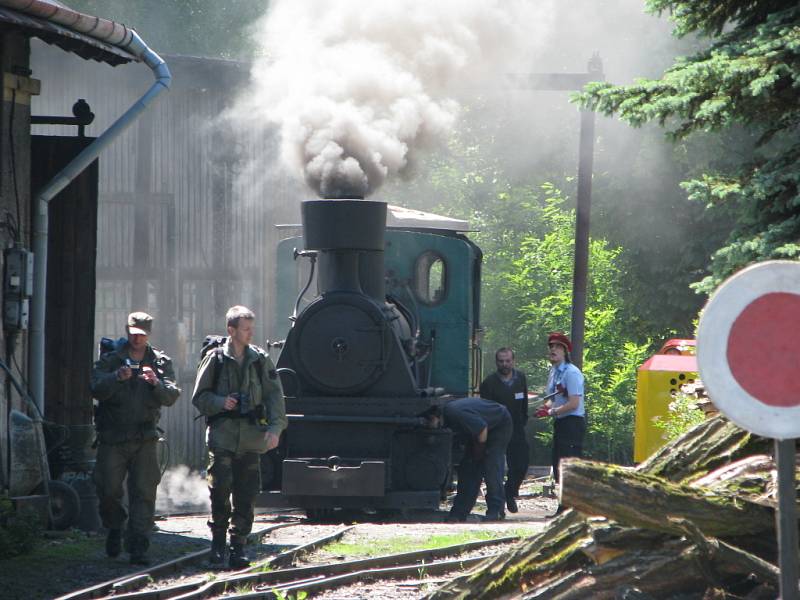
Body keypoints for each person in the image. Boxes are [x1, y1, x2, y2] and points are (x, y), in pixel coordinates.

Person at [192, 305, 287, 569]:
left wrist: (276, 428)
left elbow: (274, 396)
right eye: (245, 329)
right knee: (219, 491)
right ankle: (218, 544)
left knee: (247, 495)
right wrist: (222, 402)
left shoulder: (259, 360)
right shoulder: (215, 360)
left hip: (251, 440)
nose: (250, 333)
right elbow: (199, 398)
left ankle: (239, 547)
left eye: (251, 328)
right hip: (222, 438)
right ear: (231, 330)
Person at [90, 311, 181, 565]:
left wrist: (156, 383)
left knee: (144, 493)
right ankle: (115, 527)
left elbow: (172, 395)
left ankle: (138, 546)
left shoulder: (160, 362)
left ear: (148, 333)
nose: (136, 338)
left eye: (141, 334)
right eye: (132, 332)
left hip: (144, 437)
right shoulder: (111, 359)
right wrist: (116, 378)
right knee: (108, 489)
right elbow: (95, 388)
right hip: (113, 437)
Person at [441, 396, 512, 522]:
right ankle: (459, 512)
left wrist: (479, 452)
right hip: (480, 430)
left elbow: (482, 429)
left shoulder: (455, 413)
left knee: (491, 465)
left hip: (498, 424)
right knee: (468, 468)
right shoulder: (448, 412)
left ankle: (496, 510)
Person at [479, 348, 529, 514]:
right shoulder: (489, 383)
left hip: (517, 428)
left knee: (521, 465)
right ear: (496, 362)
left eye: (508, 361)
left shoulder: (521, 378)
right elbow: (485, 410)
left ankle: (509, 492)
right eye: (501, 361)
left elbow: (524, 404)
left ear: (513, 361)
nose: (505, 364)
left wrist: (523, 421)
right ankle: (497, 506)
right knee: (496, 469)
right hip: (497, 431)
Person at [535, 332, 586, 486]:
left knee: (568, 467)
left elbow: (574, 403)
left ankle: (570, 506)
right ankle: (563, 504)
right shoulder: (553, 372)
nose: (553, 349)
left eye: (558, 346)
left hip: (573, 424)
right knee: (558, 464)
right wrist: (545, 408)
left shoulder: (571, 373)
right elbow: (553, 398)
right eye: (551, 346)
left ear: (565, 351)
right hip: (561, 423)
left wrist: (551, 412)